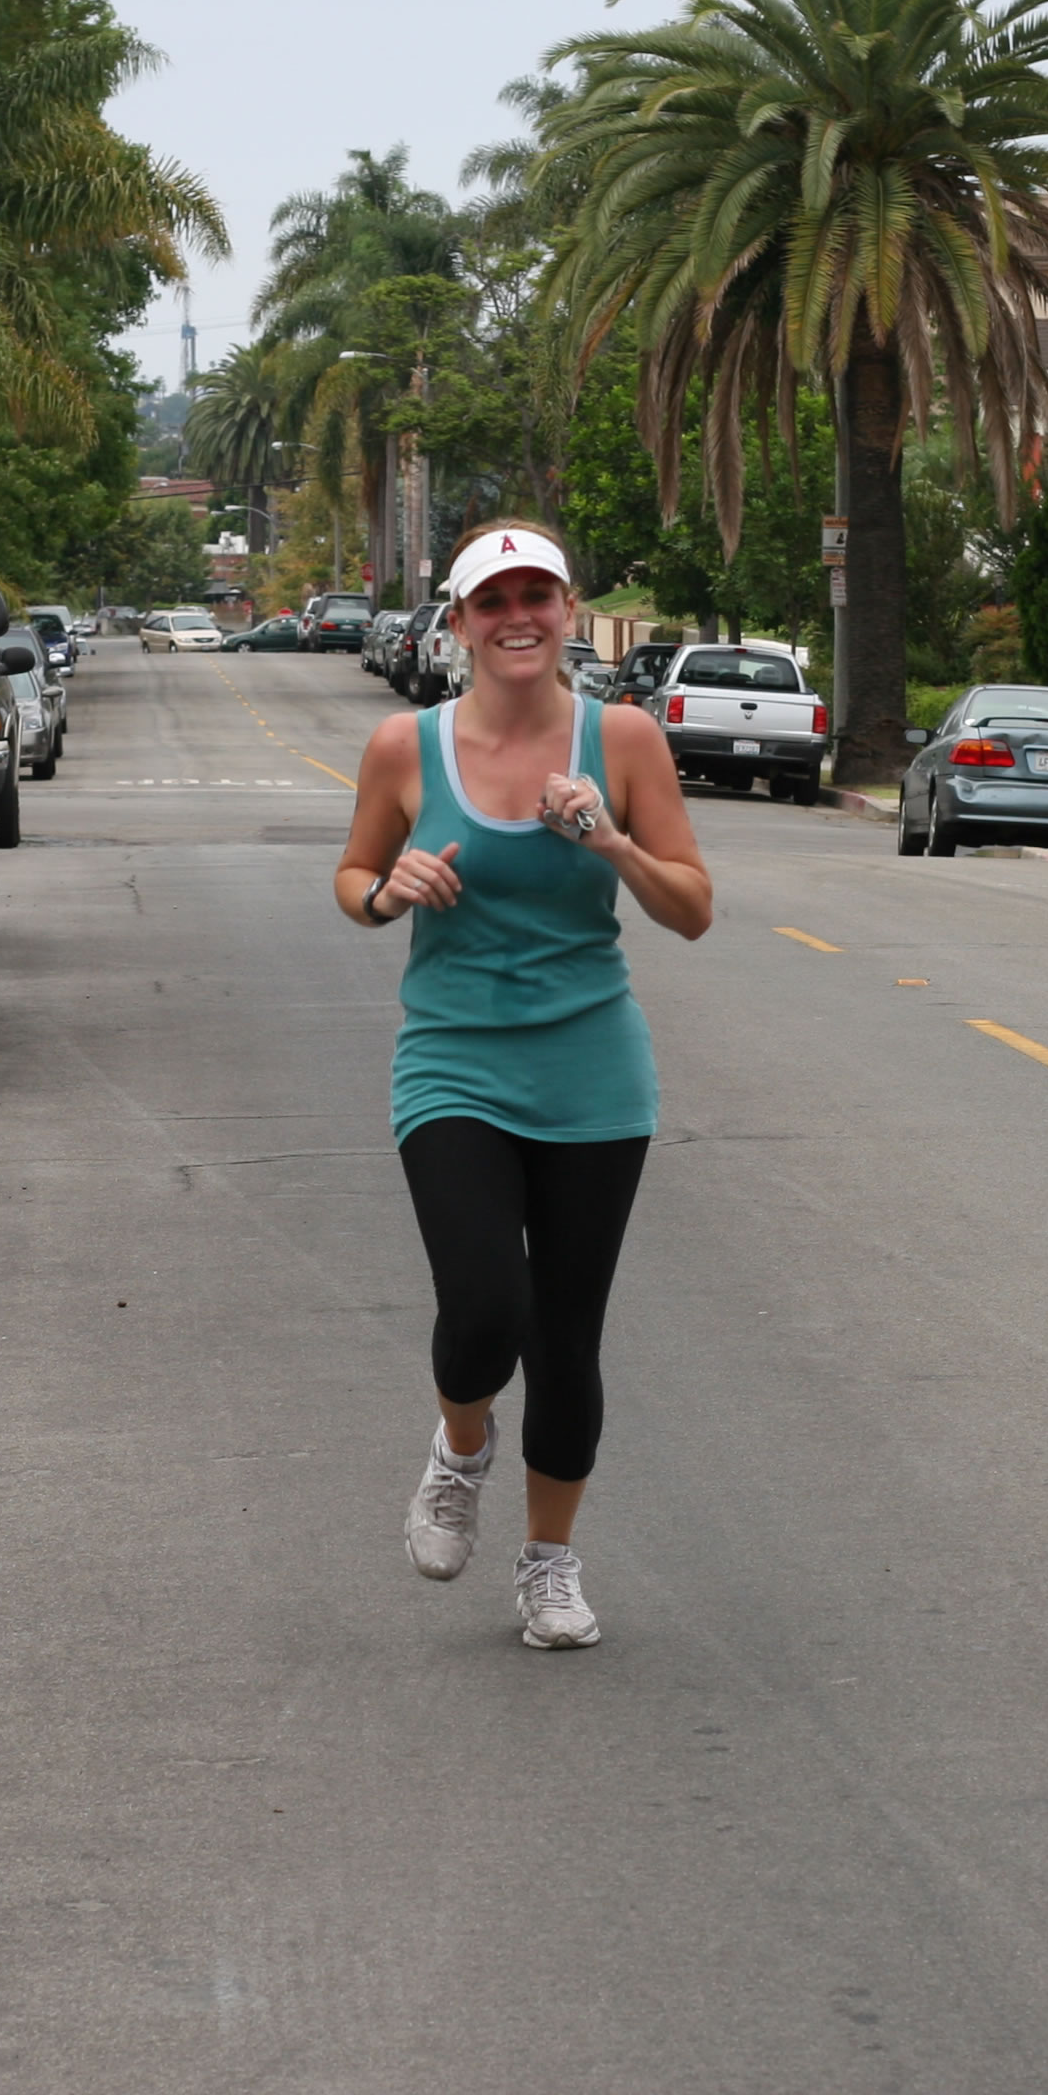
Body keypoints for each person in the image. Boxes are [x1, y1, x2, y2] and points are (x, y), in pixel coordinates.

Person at [335, 522, 713, 1648]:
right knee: (486, 1304)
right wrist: (388, 891)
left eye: (536, 596)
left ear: (568, 609)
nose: (518, 618)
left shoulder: (624, 739)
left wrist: (610, 842)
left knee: (564, 1338)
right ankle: (460, 1450)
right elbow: (353, 875)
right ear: (456, 623)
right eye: (493, 601)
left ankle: (549, 1562)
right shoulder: (405, 746)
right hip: (453, 1062)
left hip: (593, 1074)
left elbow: (692, 908)